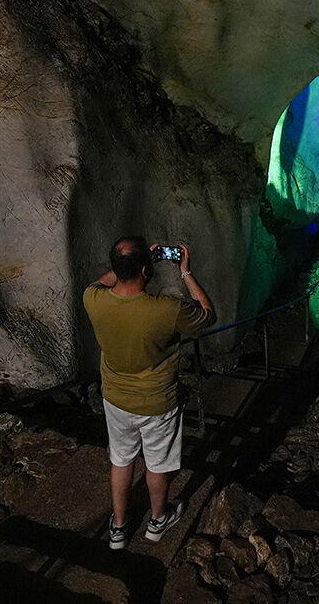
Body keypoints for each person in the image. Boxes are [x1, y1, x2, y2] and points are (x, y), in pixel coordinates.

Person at [83, 236, 215, 550]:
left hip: (115, 398)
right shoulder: (166, 310)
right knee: (157, 464)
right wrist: (185, 271)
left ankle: (117, 528)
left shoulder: (92, 298)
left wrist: (131, 264)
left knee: (121, 460)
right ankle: (158, 521)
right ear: (147, 269)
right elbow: (208, 316)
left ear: (115, 268)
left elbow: (102, 282)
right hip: (158, 402)